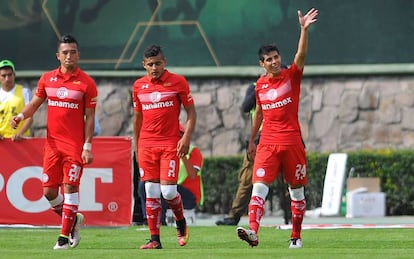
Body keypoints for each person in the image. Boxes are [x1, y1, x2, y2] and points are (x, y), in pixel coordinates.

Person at [236, 8, 318, 249]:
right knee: (258, 187)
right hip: (268, 144)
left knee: (297, 193)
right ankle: (253, 231)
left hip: (292, 143)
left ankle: (295, 236)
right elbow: (259, 113)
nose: (274, 61)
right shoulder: (260, 86)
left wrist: (303, 30)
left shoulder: (291, 76)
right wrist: (252, 140)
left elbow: (301, 54)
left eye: (276, 57)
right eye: (269, 59)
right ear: (262, 64)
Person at [11, 34, 98, 250]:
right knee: (49, 192)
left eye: (73, 52)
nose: (69, 56)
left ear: (79, 54)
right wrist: (21, 116)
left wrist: (87, 146)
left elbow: (90, 118)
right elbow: (34, 104)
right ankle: (74, 220)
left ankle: (63, 238)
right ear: (58, 56)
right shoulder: (47, 79)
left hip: (74, 146)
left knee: (70, 187)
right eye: (65, 52)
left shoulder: (86, 83)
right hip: (52, 145)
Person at [132, 45, 197, 249]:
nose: (154, 68)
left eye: (157, 63)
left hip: (169, 144)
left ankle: (180, 222)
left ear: (164, 62)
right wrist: (137, 145)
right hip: (146, 145)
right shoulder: (138, 86)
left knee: (168, 191)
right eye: (150, 64)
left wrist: (185, 137)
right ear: (144, 65)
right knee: (150, 189)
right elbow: (137, 118)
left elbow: (191, 113)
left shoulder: (178, 82)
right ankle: (155, 239)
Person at [138, 124, 204, 226]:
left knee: (164, 188)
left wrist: (182, 155)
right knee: (145, 184)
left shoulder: (193, 151)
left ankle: (160, 221)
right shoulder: (165, 151)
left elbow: (192, 175)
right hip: (171, 189)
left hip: (189, 195)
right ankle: (148, 219)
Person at [0, 59, 33, 140]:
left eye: (9, 75)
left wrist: (19, 134)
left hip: (22, 141)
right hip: (2, 142)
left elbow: (30, 117)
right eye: (4, 76)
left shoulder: (25, 92)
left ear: (14, 75)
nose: (7, 79)